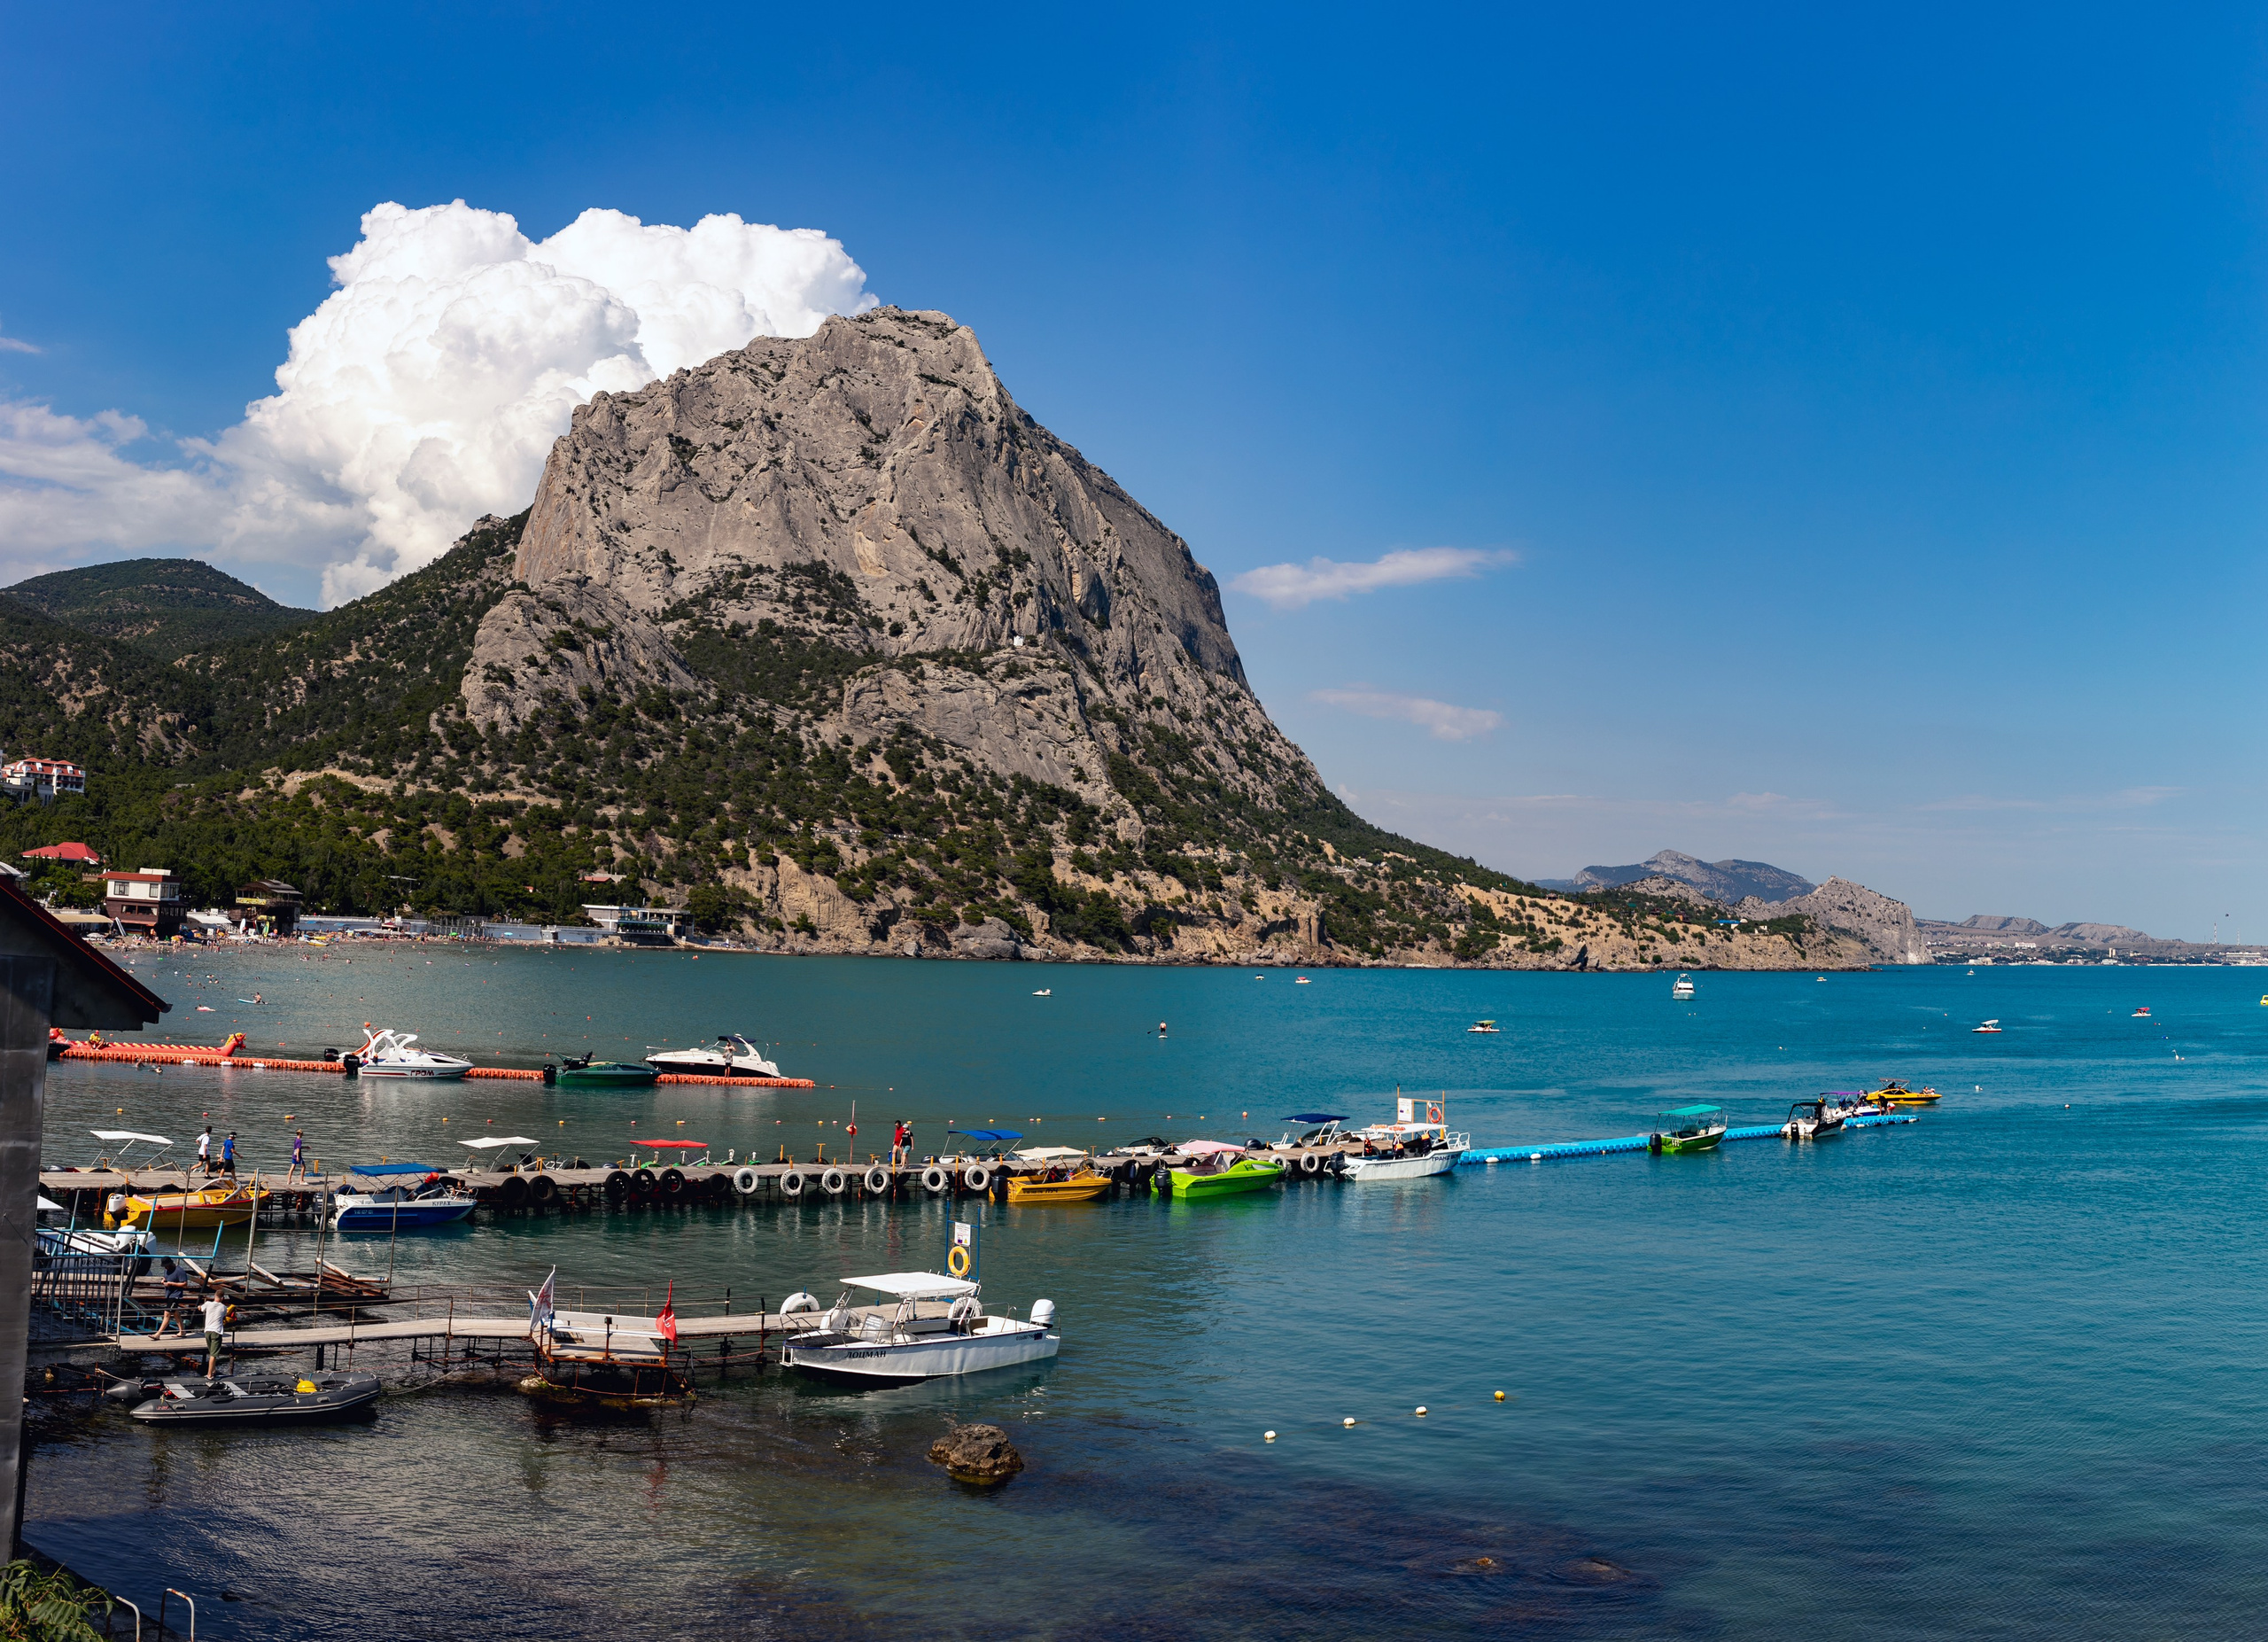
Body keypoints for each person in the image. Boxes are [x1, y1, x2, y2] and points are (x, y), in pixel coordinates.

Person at [154, 1259, 187, 1337]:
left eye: (167, 1266)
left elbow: (185, 1284)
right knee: (175, 1313)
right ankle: (182, 1331)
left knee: (167, 1313)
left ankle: (158, 1334)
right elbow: (165, 1277)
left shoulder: (180, 1271)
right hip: (169, 1294)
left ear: (171, 1264)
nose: (166, 1268)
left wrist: (171, 1284)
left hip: (176, 1295)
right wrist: (164, 1280)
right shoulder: (166, 1270)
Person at [199, 1294, 226, 1377]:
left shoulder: (207, 1303)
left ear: (215, 1296)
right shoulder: (224, 1307)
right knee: (213, 1355)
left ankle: (213, 1370)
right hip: (216, 1332)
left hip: (207, 1331)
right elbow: (224, 1316)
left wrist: (199, 1307)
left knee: (212, 1352)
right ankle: (209, 1374)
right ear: (222, 1298)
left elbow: (201, 1308)